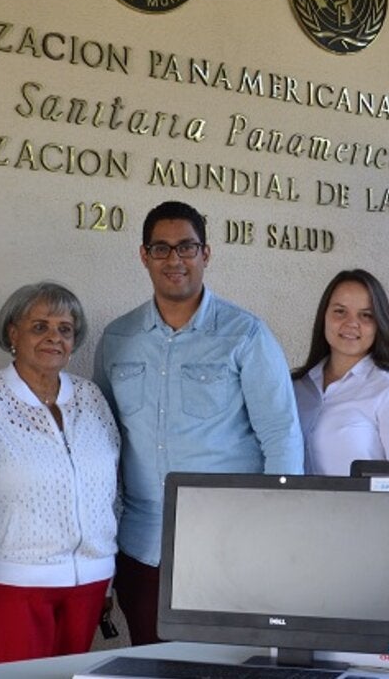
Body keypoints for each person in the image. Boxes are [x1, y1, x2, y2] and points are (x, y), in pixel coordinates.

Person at [93, 200, 304, 645]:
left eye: (187, 247)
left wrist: (277, 532)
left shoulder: (245, 334)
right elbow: (102, 445)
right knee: (152, 666)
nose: (175, 260)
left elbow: (281, 436)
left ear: (206, 254)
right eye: (162, 248)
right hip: (142, 546)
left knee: (224, 669)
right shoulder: (117, 339)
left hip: (229, 543)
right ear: (144, 255)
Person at [0, 282, 120, 665]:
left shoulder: (91, 398)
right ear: (13, 333)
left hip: (88, 586)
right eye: (40, 327)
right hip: (7, 587)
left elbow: (111, 495)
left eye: (65, 329)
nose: (54, 337)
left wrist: (108, 576)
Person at [292, 269, 389, 475]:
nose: (351, 323)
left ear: (379, 324)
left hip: (365, 508)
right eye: (340, 311)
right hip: (293, 506)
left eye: (366, 315)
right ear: (324, 317)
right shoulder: (296, 387)